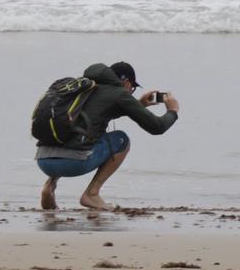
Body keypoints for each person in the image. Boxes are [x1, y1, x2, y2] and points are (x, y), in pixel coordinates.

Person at [35, 61, 179, 211]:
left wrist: (138, 104)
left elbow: (101, 111)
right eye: (133, 87)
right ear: (126, 82)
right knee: (121, 139)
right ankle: (91, 194)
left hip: (44, 161)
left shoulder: (84, 87)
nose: (131, 91)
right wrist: (172, 111)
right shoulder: (119, 93)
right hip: (72, 164)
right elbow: (157, 127)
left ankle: (49, 187)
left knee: (77, 130)